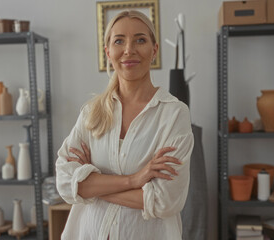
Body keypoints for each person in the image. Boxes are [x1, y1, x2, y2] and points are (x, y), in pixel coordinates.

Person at [55, 10, 194, 240]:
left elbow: (165, 201)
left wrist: (93, 186)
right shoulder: (91, 113)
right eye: (119, 40)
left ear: (154, 50)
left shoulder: (173, 114)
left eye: (140, 39)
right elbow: (64, 182)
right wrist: (134, 181)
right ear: (108, 52)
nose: (129, 49)